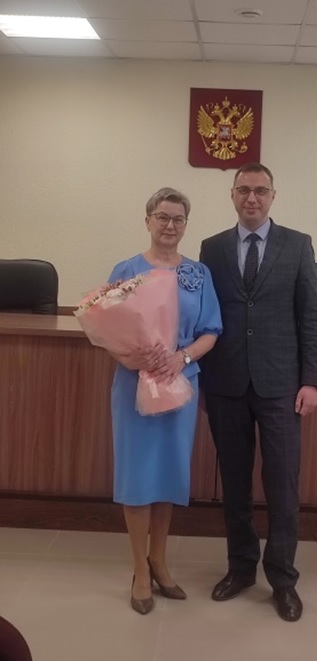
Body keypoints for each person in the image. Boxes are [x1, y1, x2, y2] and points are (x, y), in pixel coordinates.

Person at [200, 163, 317, 622]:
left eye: (260, 190)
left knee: (282, 485)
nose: (251, 198)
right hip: (226, 383)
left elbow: (311, 316)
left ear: (273, 195)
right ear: (232, 195)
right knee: (234, 484)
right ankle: (240, 569)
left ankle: (283, 580)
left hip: (281, 386)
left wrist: (311, 380)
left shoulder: (298, 244)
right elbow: (204, 314)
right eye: (243, 190)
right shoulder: (212, 248)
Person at [108, 187, 222, 615]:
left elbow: (211, 331)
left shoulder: (199, 274)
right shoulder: (127, 270)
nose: (169, 225)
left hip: (180, 383)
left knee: (169, 474)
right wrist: (132, 358)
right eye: (162, 217)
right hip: (134, 385)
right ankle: (140, 569)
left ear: (185, 225)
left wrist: (182, 357)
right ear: (148, 221)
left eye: (177, 219)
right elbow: (106, 329)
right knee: (137, 476)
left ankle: (160, 560)